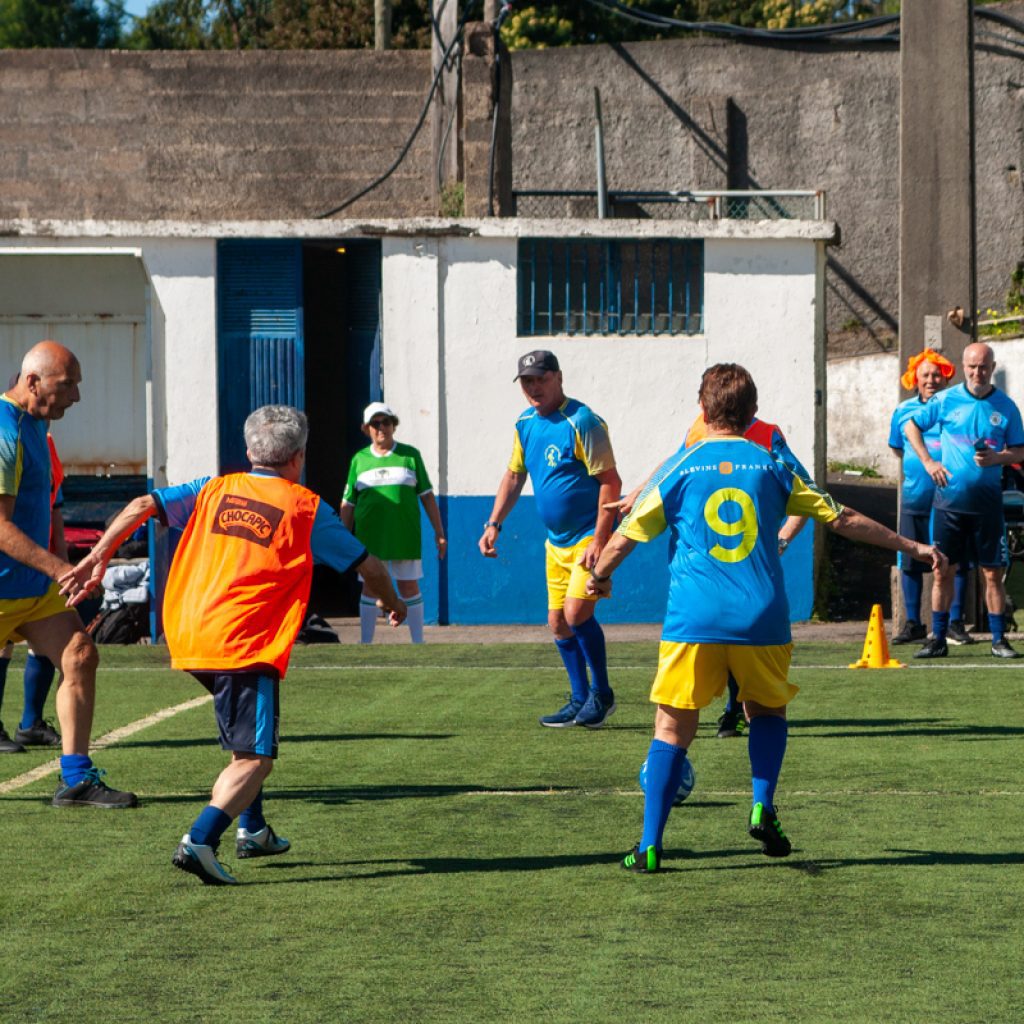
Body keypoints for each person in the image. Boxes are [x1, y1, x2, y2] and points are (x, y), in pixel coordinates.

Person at [585, 364, 945, 873]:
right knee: (766, 713)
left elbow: (626, 535)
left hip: (695, 618)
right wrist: (912, 545)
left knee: (670, 730)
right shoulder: (773, 464)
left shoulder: (681, 466)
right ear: (753, 413)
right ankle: (762, 804)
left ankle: (649, 845)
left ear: (703, 410)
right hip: (762, 618)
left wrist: (598, 575)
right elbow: (841, 517)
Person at [66, 405, 407, 885]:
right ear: (300, 457)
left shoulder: (213, 488)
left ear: (249, 452)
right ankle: (201, 839)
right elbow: (368, 567)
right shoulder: (305, 507)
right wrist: (395, 602)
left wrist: (99, 557)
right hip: (244, 642)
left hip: (189, 631)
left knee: (246, 736)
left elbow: (144, 506)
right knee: (255, 757)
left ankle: (254, 828)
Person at [0, 341, 136, 805]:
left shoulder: (37, 426)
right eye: (68, 385)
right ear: (32, 381)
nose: (76, 397)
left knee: (80, 655)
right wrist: (63, 569)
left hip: (31, 590)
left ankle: (75, 778)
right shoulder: (4, 431)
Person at [619, 410, 809, 740]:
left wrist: (782, 538)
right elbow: (675, 463)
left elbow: (803, 489)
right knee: (722, 634)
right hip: (709, 562)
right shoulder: (699, 428)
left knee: (738, 639)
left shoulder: (768, 435)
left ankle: (732, 714)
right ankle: (727, 722)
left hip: (745, 562)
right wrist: (641, 489)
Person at [479, 350, 622, 728]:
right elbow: (513, 476)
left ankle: (602, 694)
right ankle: (579, 698)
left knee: (577, 615)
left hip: (587, 538)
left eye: (541, 379)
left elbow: (611, 482)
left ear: (559, 377)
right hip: (555, 543)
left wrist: (599, 540)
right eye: (527, 381)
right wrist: (493, 523)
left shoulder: (582, 422)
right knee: (558, 623)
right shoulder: (525, 423)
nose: (534, 387)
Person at [904, 342, 1024, 659]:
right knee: (942, 569)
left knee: (992, 573)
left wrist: (998, 457)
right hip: (948, 506)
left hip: (987, 507)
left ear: (992, 367)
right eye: (971, 366)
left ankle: (999, 640)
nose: (977, 372)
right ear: (964, 366)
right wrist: (929, 462)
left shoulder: (1006, 407)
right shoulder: (945, 400)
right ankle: (938, 638)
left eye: (983, 366)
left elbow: (1020, 450)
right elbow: (911, 426)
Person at [888, 349, 975, 645]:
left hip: (952, 499)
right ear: (914, 378)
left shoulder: (955, 406)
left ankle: (955, 623)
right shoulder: (903, 410)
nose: (931, 379)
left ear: (946, 376)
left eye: (936, 374)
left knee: (955, 561)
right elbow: (898, 449)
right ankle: (913, 623)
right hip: (915, 496)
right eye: (925, 374)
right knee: (910, 558)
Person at [340, 402, 446, 644]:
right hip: (370, 541)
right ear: (366, 428)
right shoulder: (359, 460)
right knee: (369, 589)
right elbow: (348, 505)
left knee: (409, 588)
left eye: (385, 422)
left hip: (404, 537)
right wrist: (343, 541)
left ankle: (419, 644)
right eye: (375, 424)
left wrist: (439, 533)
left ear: (393, 426)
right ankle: (365, 644)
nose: (381, 428)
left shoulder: (410, 456)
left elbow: (427, 496)